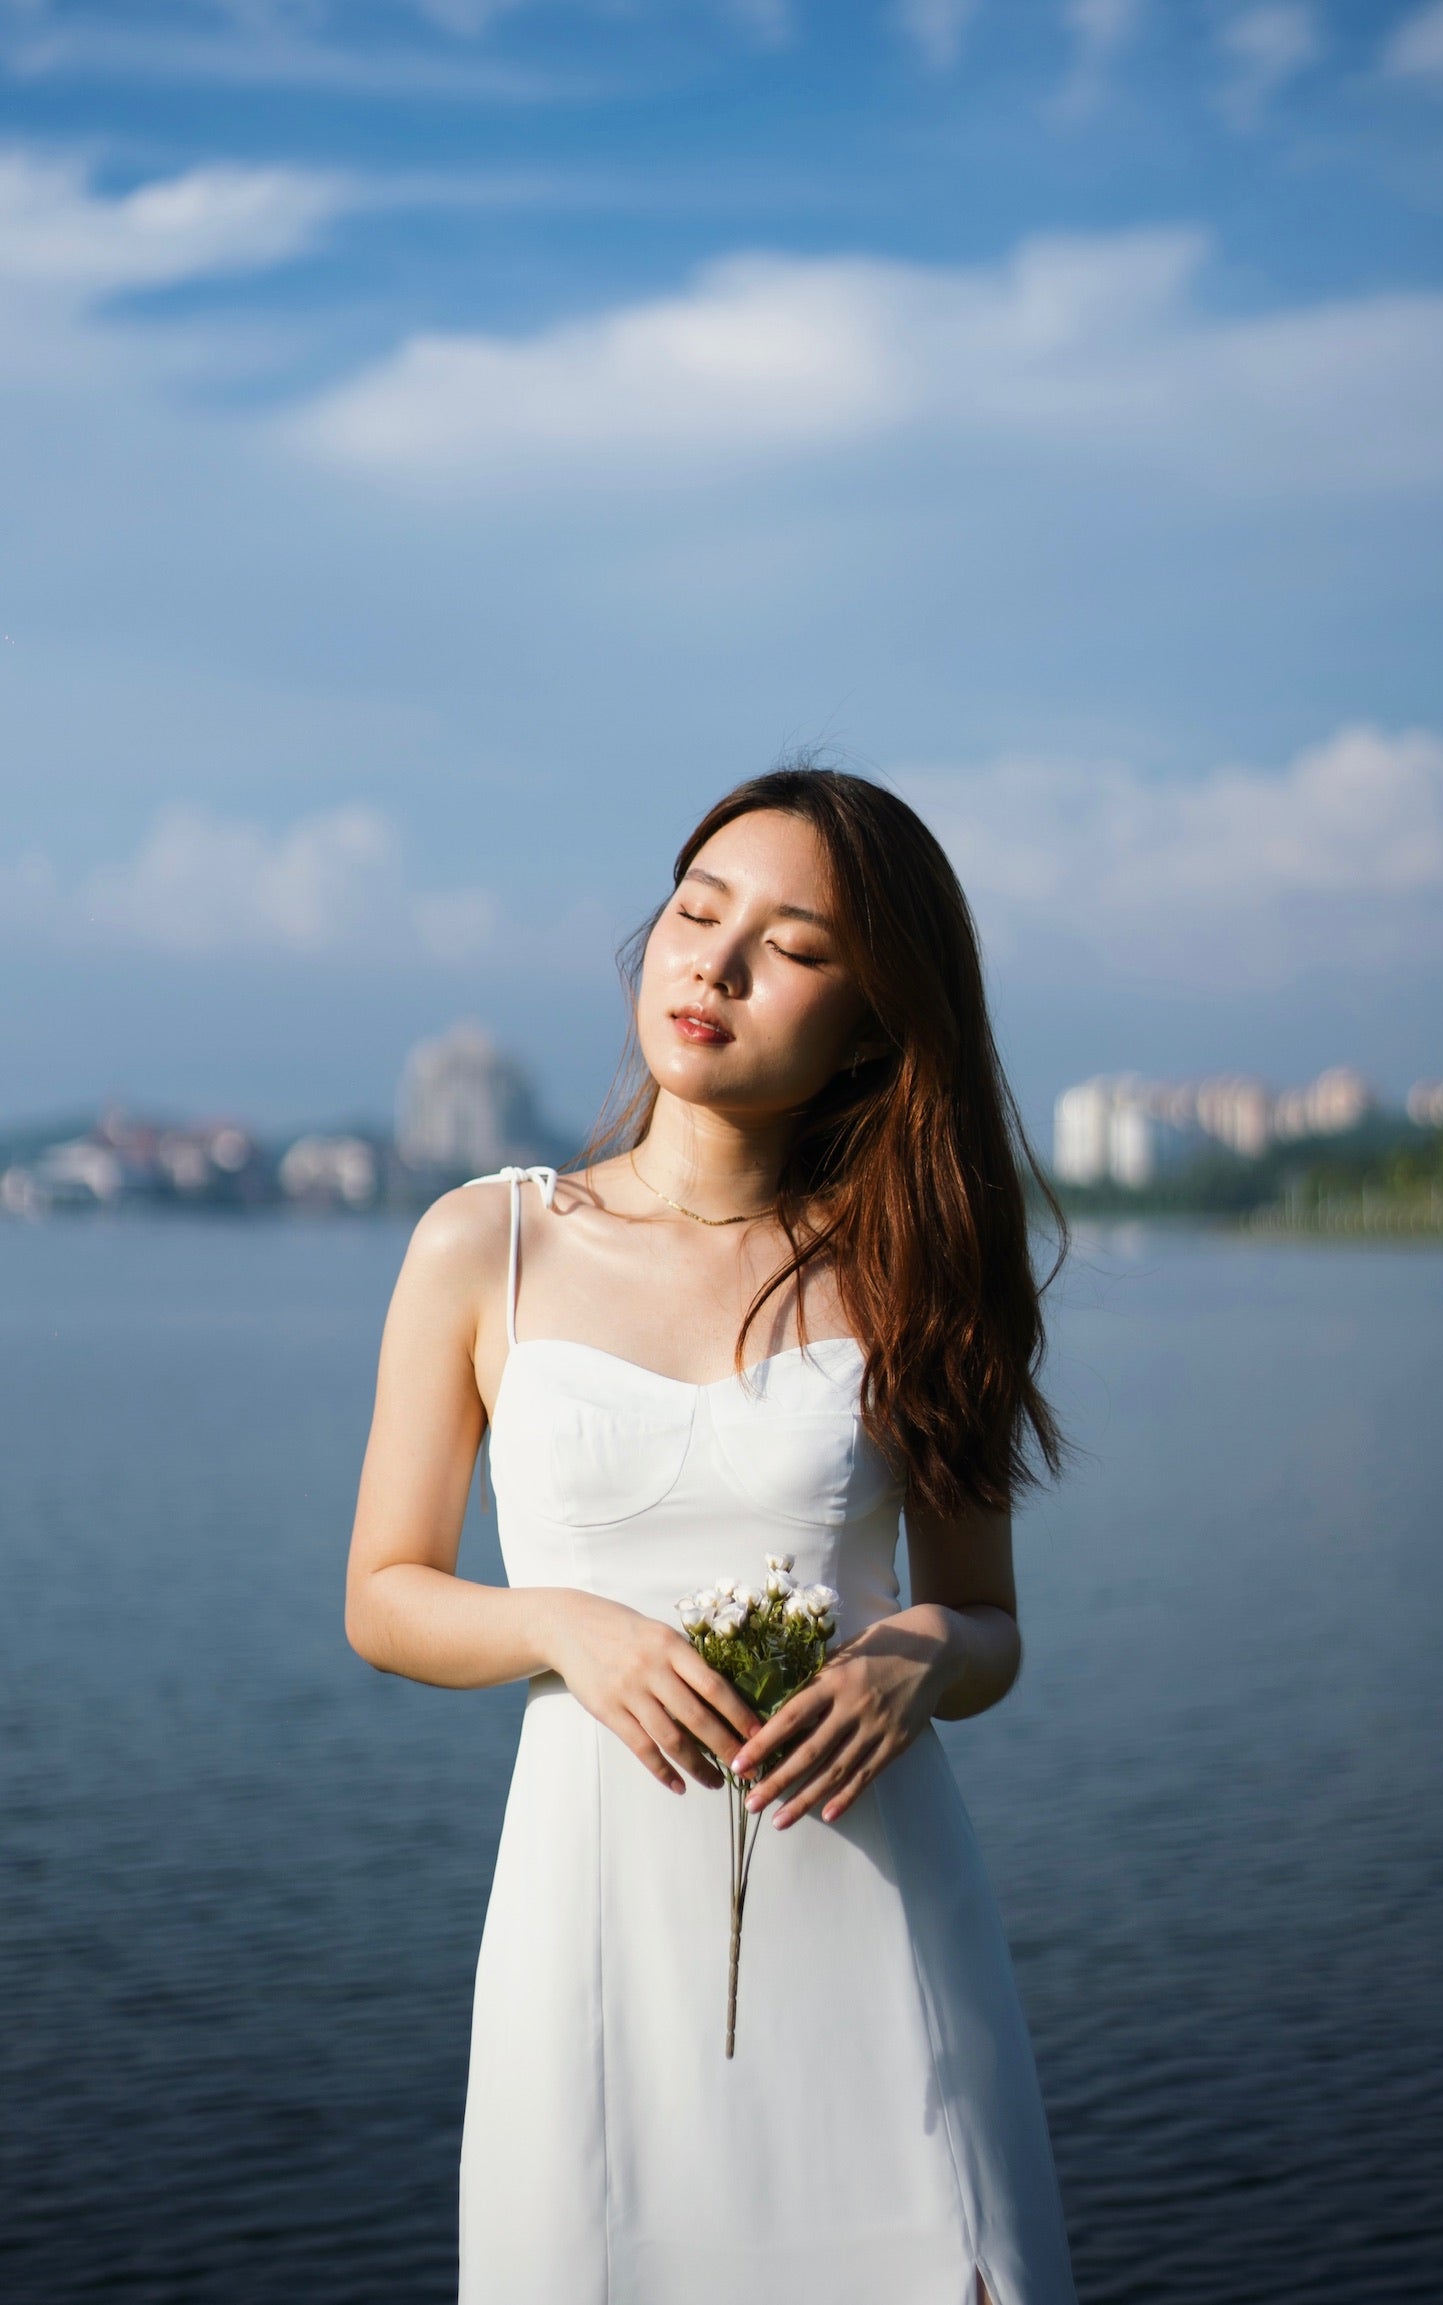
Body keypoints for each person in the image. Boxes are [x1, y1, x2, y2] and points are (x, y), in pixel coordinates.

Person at [345, 765, 1079, 2305]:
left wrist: (922, 1653)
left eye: (794, 945)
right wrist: (562, 1622)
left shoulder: (913, 1268)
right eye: (697, 912)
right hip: (594, 1919)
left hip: (872, 1906)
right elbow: (385, 1596)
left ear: (875, 1018)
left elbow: (988, 1621)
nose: (717, 963)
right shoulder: (489, 1243)